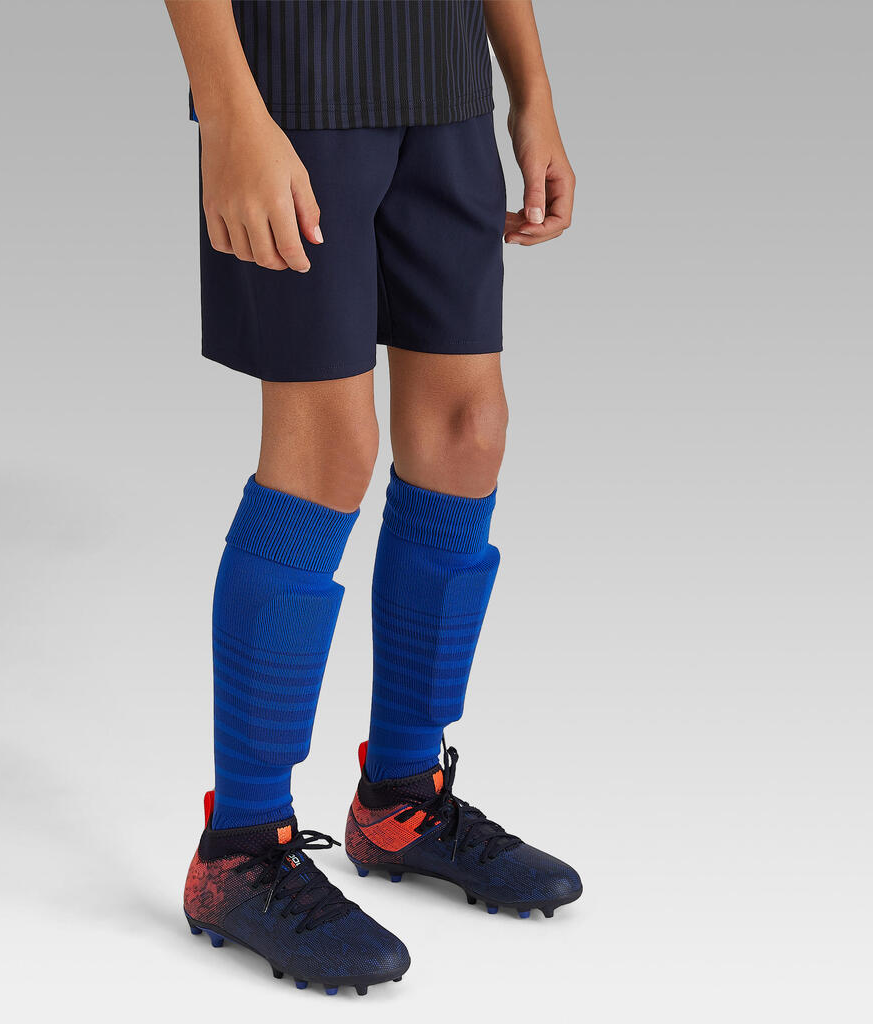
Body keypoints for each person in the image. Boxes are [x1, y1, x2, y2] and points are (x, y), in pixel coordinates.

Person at [165, 0, 581, 995]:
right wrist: (229, 113)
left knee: (467, 433)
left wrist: (531, 92)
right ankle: (240, 850)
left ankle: (401, 798)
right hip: (295, 86)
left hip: (443, 80)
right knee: (327, 450)